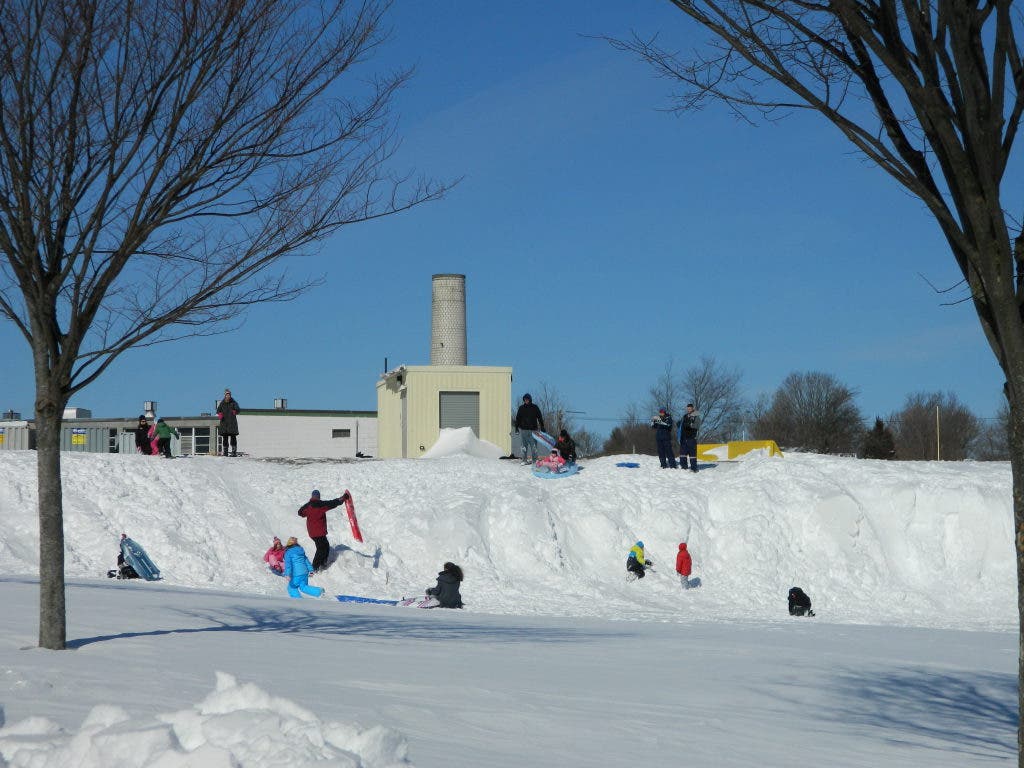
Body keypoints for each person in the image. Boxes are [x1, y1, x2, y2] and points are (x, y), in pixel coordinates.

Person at [297, 489, 350, 573]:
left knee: (325, 546)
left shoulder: (308, 506)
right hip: (319, 532)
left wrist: (306, 508)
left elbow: (300, 512)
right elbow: (332, 503)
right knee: (321, 548)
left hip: (312, 532)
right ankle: (314, 567)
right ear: (318, 496)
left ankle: (322, 563)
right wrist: (343, 498)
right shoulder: (320, 504)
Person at [515, 393, 545, 465]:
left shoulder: (535, 407)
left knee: (534, 446)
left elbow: (539, 417)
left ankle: (535, 460)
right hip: (524, 430)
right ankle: (524, 460)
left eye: (527, 399)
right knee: (524, 446)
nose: (526, 400)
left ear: (530, 399)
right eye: (525, 399)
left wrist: (542, 426)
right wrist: (516, 427)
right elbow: (518, 418)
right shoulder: (521, 408)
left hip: (533, 430)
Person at [216, 388, 240, 456]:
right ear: (225, 395)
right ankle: (225, 452)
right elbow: (218, 410)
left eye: (229, 394)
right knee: (225, 438)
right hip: (224, 423)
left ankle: (234, 452)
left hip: (232, 423)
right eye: (227, 394)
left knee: (233, 438)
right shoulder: (222, 403)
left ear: (230, 395)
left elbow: (238, 409)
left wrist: (235, 411)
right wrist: (220, 414)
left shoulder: (234, 402)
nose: (228, 396)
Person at [678, 403, 701, 473]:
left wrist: (690, 425)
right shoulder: (684, 416)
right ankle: (684, 467)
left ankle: (694, 468)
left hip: (691, 438)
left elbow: (697, 425)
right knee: (682, 454)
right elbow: (681, 424)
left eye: (690, 409)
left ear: (693, 408)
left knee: (692, 455)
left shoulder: (696, 416)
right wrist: (679, 424)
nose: (688, 410)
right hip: (684, 438)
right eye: (687, 409)